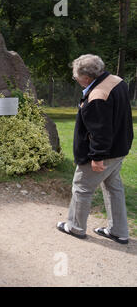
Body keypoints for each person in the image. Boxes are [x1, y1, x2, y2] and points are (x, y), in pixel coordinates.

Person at [57, 54, 133, 244]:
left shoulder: (98, 95)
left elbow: (100, 131)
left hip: (104, 153)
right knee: (113, 188)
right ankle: (119, 231)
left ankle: (75, 227)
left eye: (76, 77)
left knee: (82, 187)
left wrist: (97, 157)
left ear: (87, 78)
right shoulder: (117, 81)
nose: (76, 80)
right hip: (120, 148)